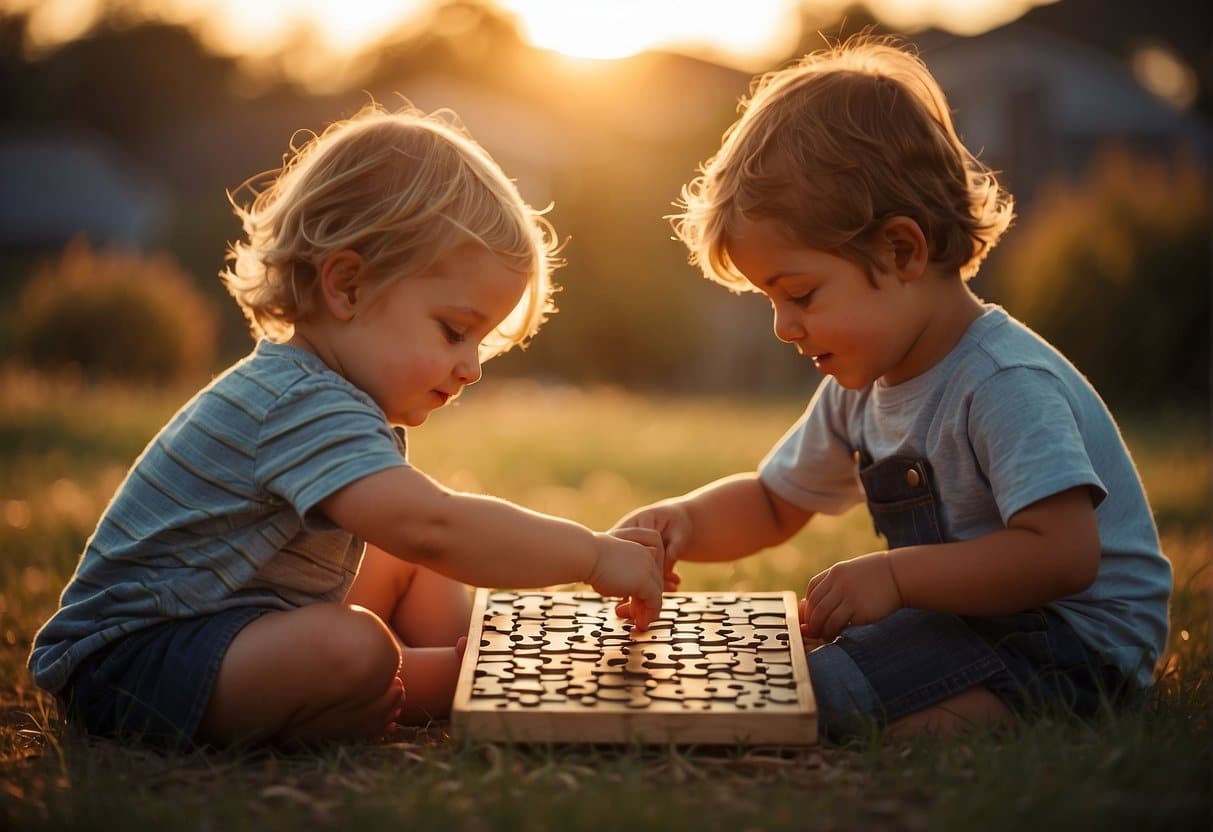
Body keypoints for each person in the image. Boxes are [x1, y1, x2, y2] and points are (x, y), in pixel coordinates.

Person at [29, 104, 664, 751]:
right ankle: (451, 676)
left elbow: (421, 537)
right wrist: (589, 556)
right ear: (348, 286)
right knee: (360, 634)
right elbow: (435, 524)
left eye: (483, 342)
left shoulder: (321, 390)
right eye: (454, 330)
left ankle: (462, 652)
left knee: (405, 554)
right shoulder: (297, 399)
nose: (471, 367)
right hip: (131, 665)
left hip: (229, 625)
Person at [614, 36, 1172, 739]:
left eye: (801, 294)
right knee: (791, 657)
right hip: (969, 624)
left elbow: (1061, 555)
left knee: (817, 696)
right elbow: (771, 501)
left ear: (901, 250)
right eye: (770, 301)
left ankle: (987, 712)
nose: (783, 327)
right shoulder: (860, 381)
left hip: (1072, 642)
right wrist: (684, 522)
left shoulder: (1002, 383)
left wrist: (899, 579)